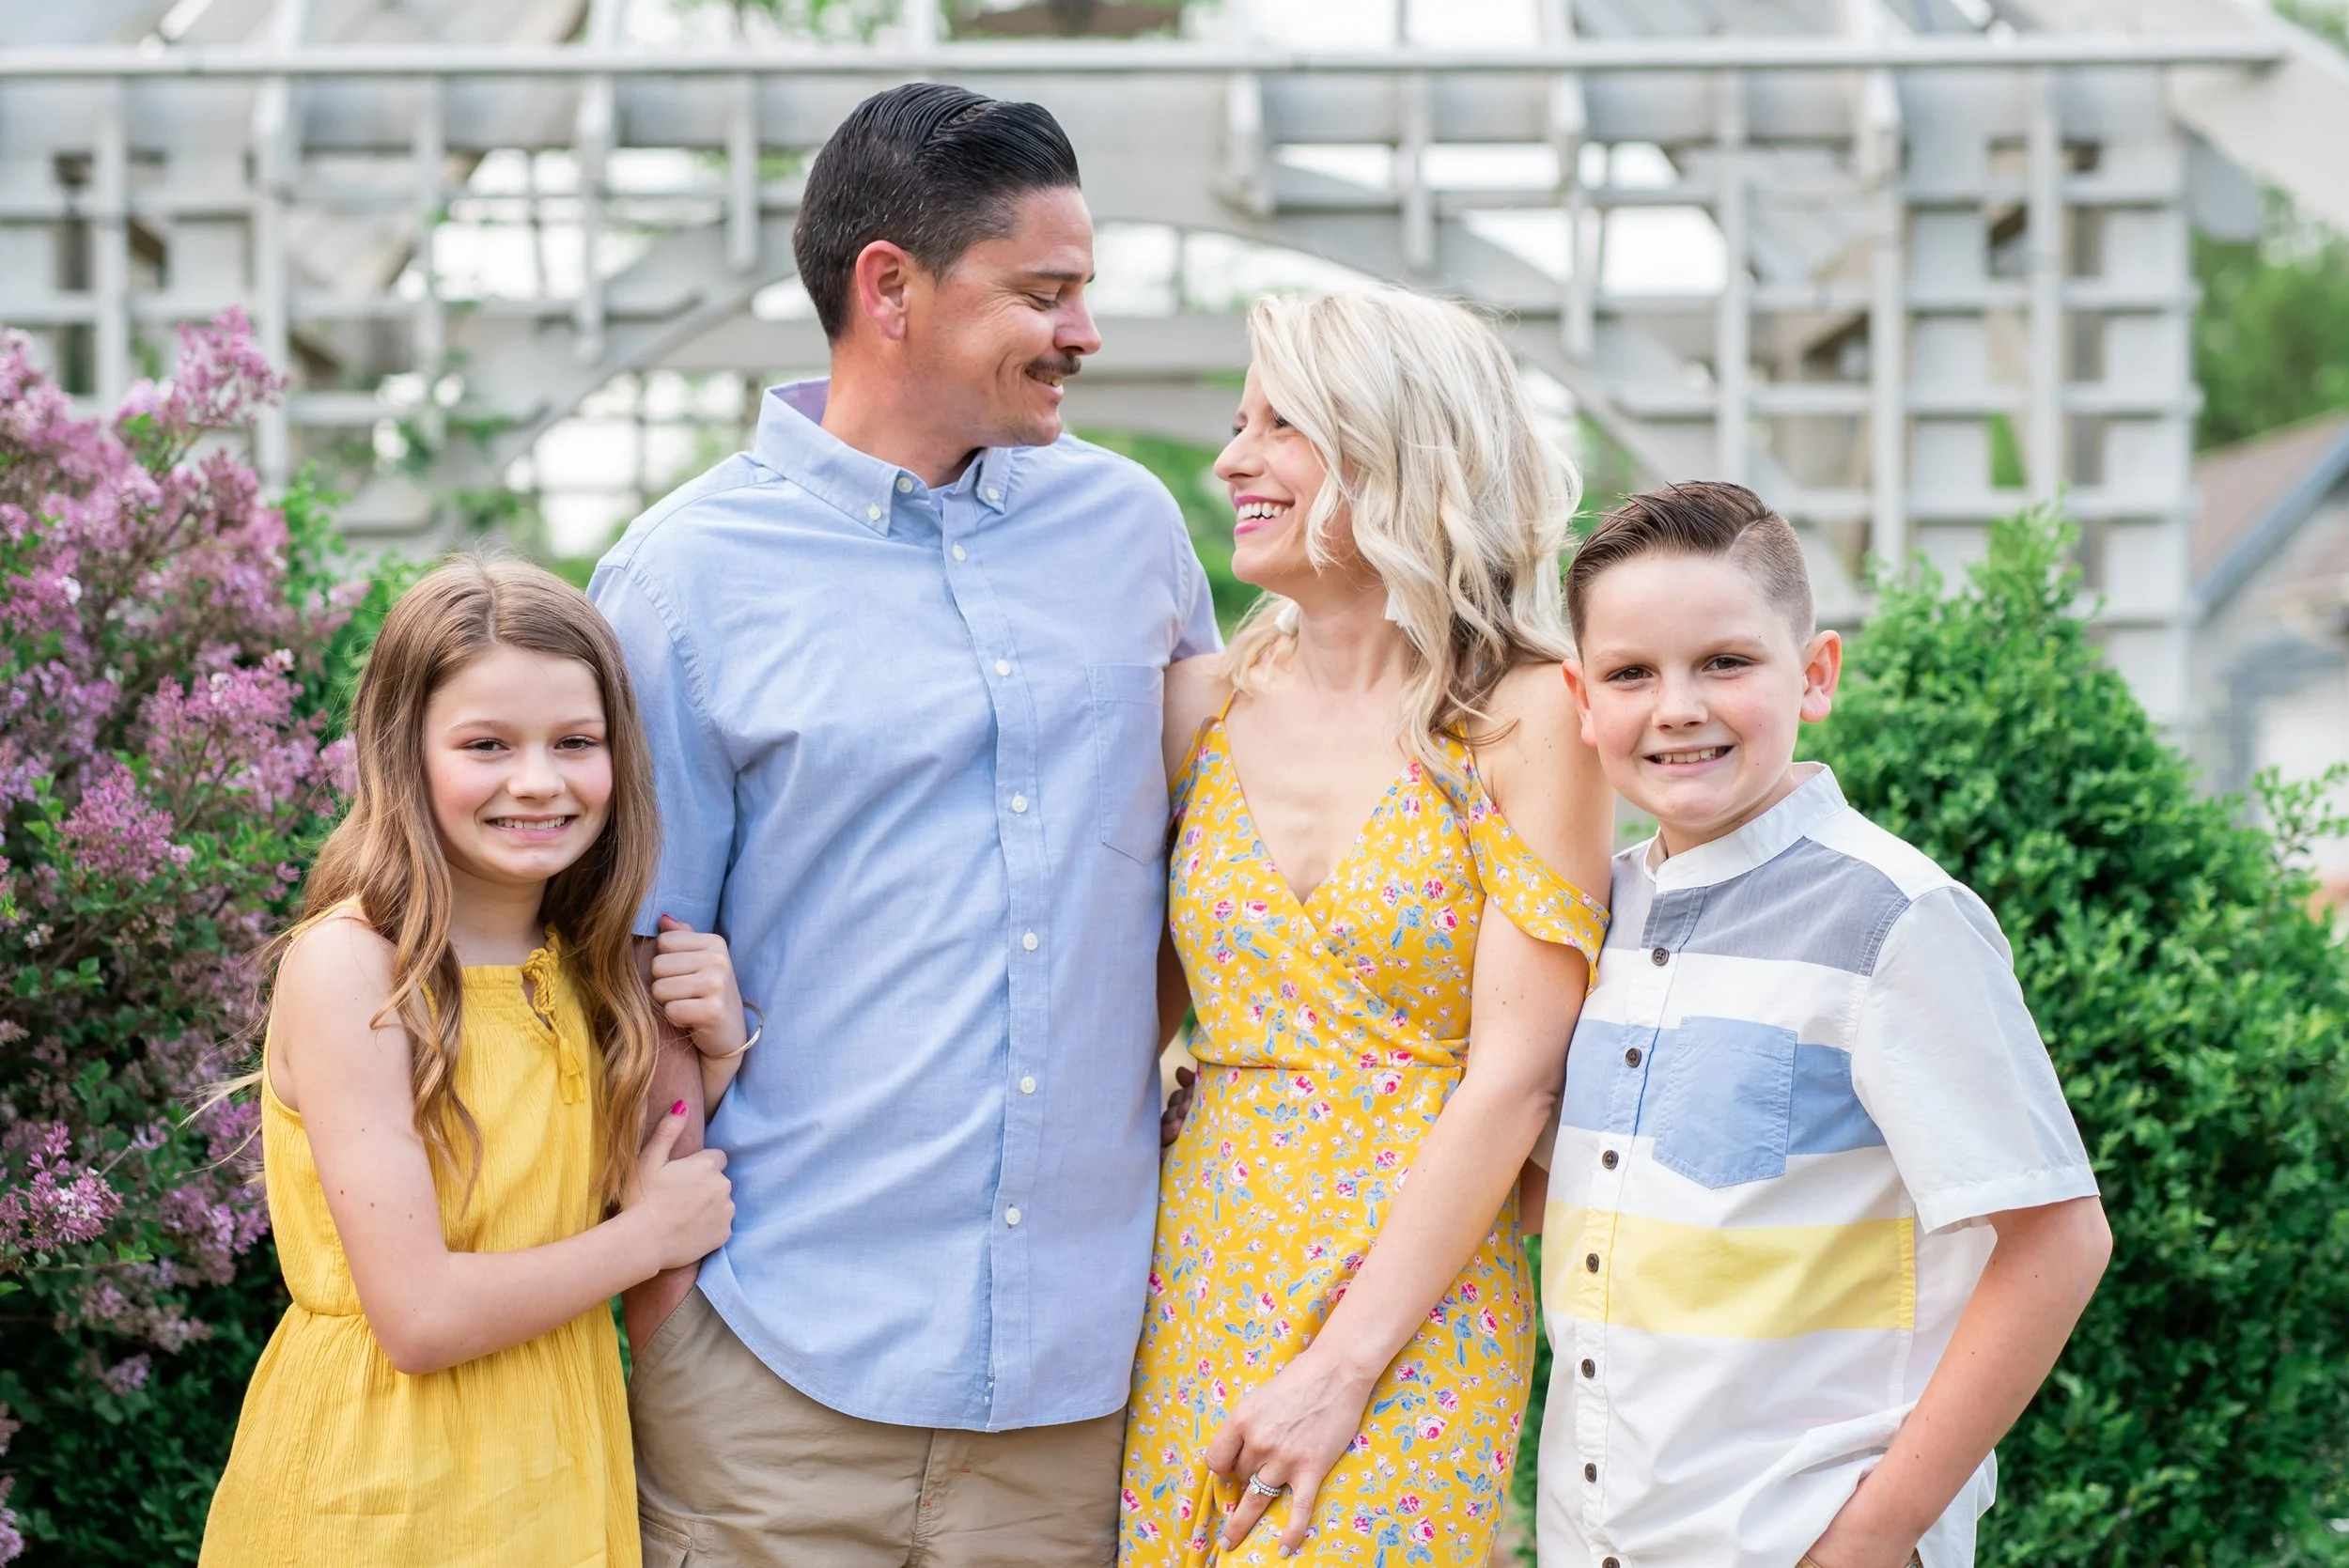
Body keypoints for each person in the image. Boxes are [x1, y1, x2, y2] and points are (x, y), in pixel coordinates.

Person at [586, 82, 1220, 1567]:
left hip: (1079, 1389)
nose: (1085, 333)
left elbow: (1218, 862)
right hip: (773, 1369)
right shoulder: (681, 580)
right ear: (891, 287)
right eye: (1044, 293)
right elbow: (632, 962)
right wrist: (670, 1305)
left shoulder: (1133, 532)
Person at [1121, 288, 1615, 1567]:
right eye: (1241, 423)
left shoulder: (1527, 719)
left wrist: (1341, 1368)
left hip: (1418, 1297)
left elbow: (1515, 1080)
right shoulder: (1195, 709)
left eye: (1280, 425)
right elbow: (1116, 1011)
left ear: (1399, 445)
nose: (1231, 460)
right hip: (1198, 1263)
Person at [1533, 482, 2113, 1568]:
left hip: (1796, 1542)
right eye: (1629, 674)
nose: (1675, 707)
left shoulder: (1894, 917)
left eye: (1724, 662)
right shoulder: (1590, 922)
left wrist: (1868, 1539)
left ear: (1814, 674)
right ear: (1578, 697)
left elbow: (2060, 1239)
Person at [198, 558, 743, 1567]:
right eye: (486, 744)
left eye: (575, 743)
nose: (537, 780)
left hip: (554, 1482)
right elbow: (420, 1316)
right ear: (406, 754)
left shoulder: (587, 969)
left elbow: (576, 1172)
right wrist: (646, 1239)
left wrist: (710, 1048)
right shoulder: (356, 967)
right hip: (385, 1491)